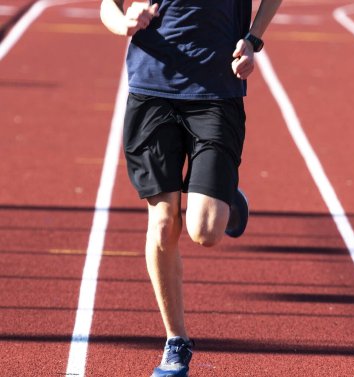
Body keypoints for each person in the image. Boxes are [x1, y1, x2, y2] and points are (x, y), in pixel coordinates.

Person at [100, 1, 282, 376]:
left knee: (205, 231)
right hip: (151, 91)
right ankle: (176, 341)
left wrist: (253, 39)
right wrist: (123, 24)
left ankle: (223, 192)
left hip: (216, 93)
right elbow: (109, 5)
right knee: (164, 222)